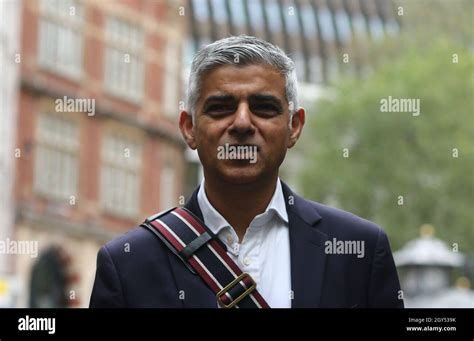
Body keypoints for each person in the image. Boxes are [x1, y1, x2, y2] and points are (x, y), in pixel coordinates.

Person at [90, 35, 403, 308]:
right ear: (189, 129)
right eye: (221, 107)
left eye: (264, 107)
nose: (241, 123)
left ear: (294, 127)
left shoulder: (359, 251)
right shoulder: (127, 264)